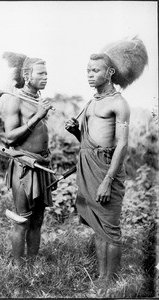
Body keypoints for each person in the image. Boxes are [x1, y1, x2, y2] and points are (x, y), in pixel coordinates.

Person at [65, 37, 148, 286]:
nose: (90, 75)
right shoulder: (92, 102)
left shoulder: (119, 104)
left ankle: (111, 281)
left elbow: (122, 144)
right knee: (98, 225)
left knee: (110, 228)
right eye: (88, 71)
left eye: (95, 70)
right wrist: (76, 133)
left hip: (106, 170)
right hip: (89, 167)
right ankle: (102, 277)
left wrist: (108, 181)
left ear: (110, 72)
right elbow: (89, 141)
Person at [0, 52, 55, 268]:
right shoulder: (15, 100)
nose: (45, 77)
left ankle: (31, 266)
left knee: (38, 221)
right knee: (22, 219)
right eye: (41, 73)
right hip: (24, 166)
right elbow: (10, 137)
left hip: (41, 166)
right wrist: (38, 116)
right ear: (27, 74)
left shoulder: (37, 100)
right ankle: (17, 268)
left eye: (47, 73)